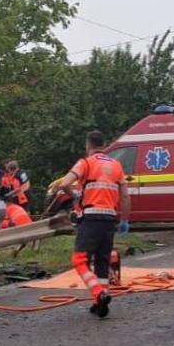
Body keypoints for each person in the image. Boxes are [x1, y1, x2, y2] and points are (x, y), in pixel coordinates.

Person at [59, 130, 131, 318]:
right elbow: (124, 196)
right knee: (102, 260)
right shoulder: (116, 165)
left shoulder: (86, 163)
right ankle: (100, 302)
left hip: (90, 217)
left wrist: (75, 195)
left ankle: (98, 293)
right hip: (109, 219)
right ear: (104, 144)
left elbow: (64, 183)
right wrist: (124, 219)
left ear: (88, 145)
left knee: (79, 260)